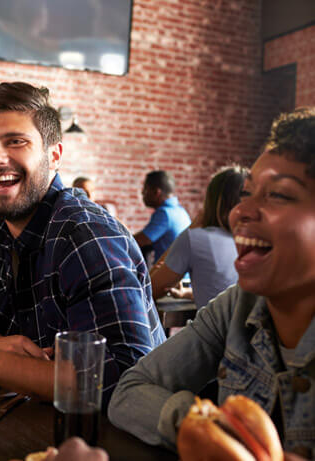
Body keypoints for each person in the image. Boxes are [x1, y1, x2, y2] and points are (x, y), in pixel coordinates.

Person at [0, 82, 166, 408]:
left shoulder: (86, 236)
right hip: (20, 421)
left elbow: (123, 379)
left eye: (16, 142)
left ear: (54, 156)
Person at [109, 108, 315, 459]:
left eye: (278, 195)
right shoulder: (237, 306)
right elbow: (128, 392)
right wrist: (198, 426)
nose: (241, 212)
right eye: (246, 194)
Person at [150, 165, 248, 308]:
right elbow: (226, 291)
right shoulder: (257, 242)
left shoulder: (195, 238)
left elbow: (149, 291)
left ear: (211, 200)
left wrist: (191, 227)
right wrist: (188, 294)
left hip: (218, 330)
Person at [133, 170, 191, 263]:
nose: (142, 193)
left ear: (156, 192)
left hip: (172, 276)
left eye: (145, 189)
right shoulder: (180, 211)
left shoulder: (164, 213)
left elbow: (137, 241)